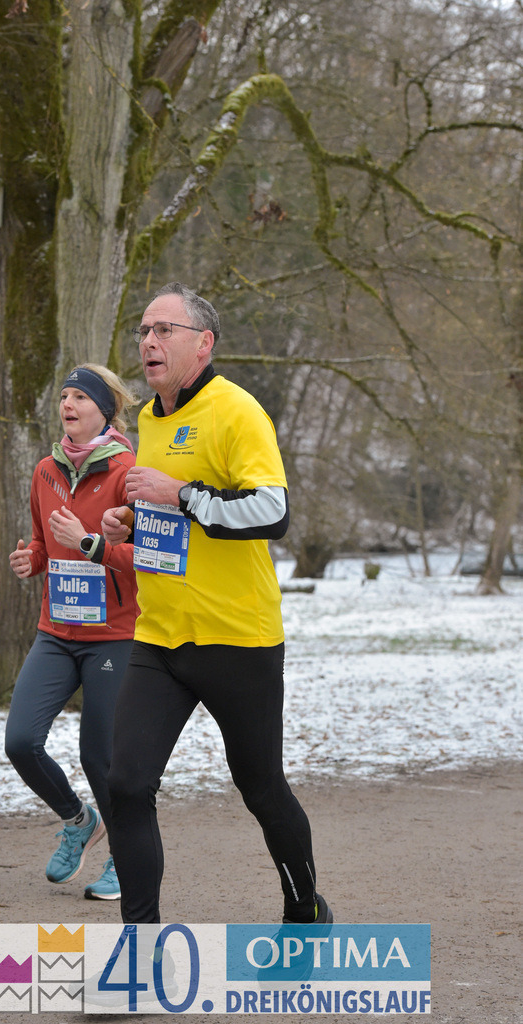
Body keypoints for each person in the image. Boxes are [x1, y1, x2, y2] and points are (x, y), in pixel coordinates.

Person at [102, 282, 332, 925]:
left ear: (202, 343)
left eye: (164, 330)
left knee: (260, 786)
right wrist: (131, 522)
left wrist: (179, 493)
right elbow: (172, 518)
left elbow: (272, 512)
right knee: (126, 784)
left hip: (237, 638)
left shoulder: (237, 410)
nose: (148, 341)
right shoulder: (149, 419)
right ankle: (140, 941)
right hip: (160, 636)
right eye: (143, 331)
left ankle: (304, 909)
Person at [5, 363, 139, 901]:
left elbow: (146, 559)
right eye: (64, 395)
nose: (68, 404)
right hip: (56, 632)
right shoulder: (45, 471)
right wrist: (32, 559)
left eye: (80, 397)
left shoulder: (129, 473)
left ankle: (125, 859)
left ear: (105, 410)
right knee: (20, 741)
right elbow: (42, 542)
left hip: (113, 635)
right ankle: (79, 820)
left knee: (98, 756)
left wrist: (90, 542)